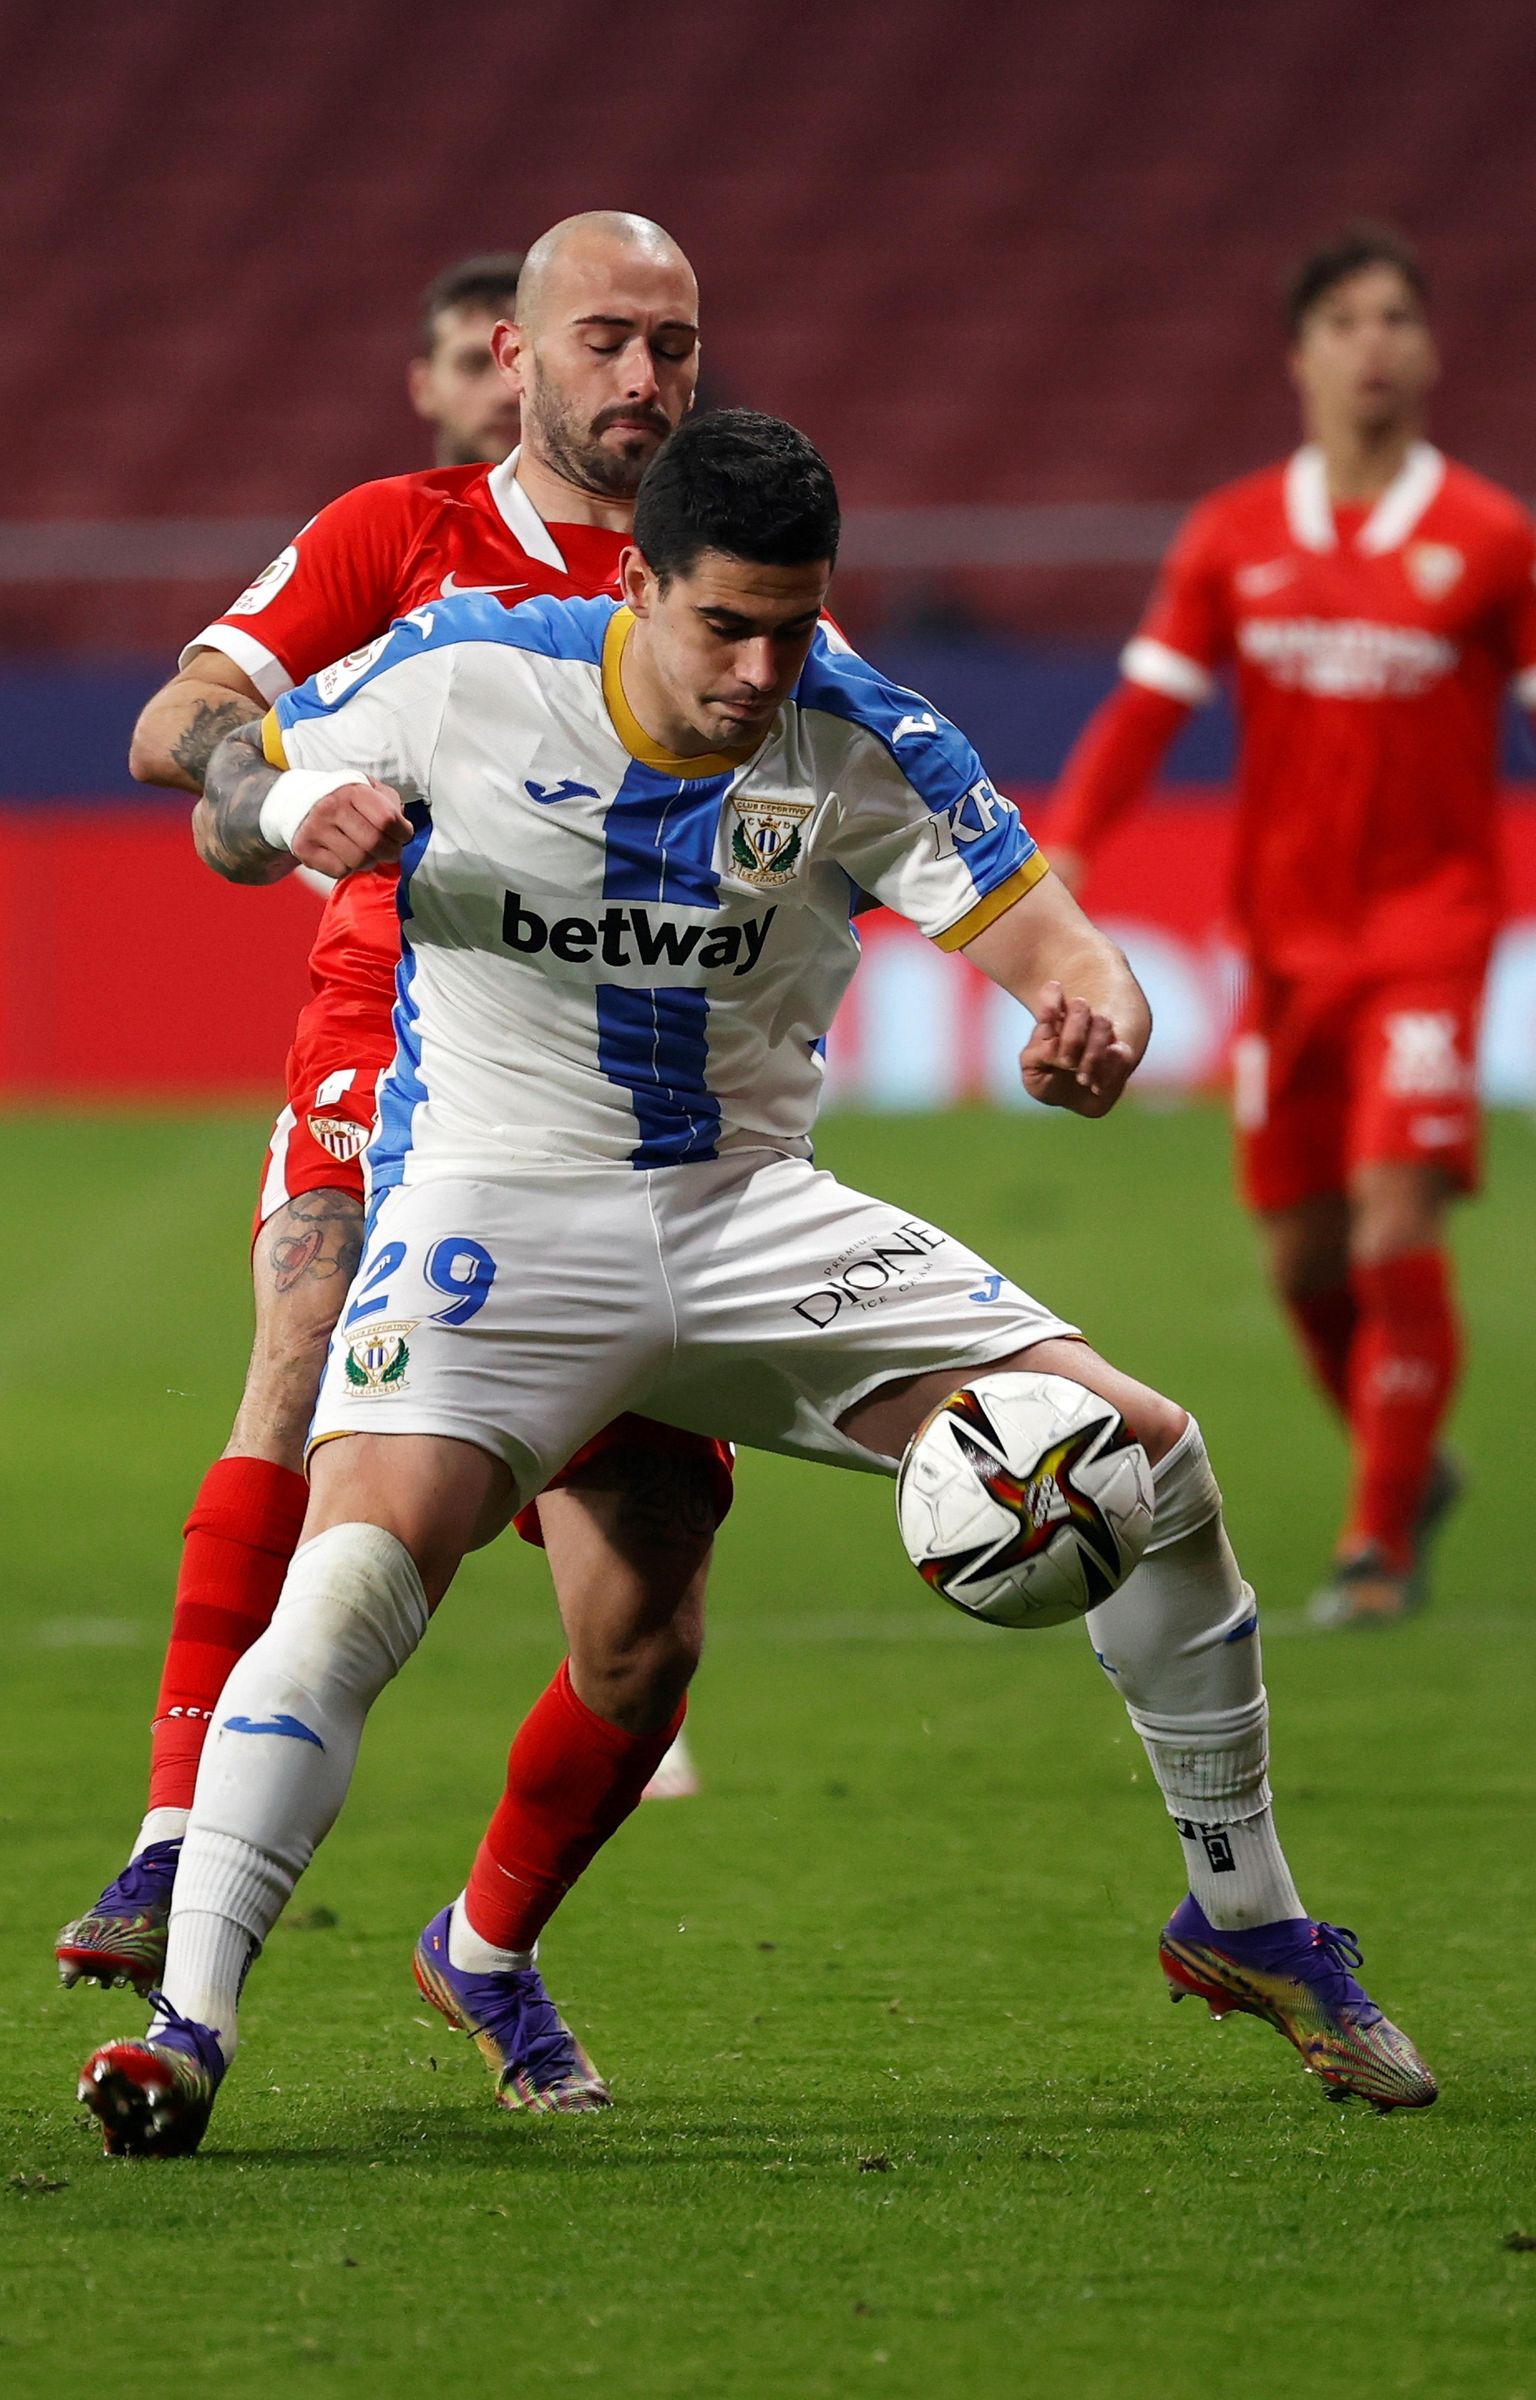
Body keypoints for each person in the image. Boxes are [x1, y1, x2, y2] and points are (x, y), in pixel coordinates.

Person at [78, 409, 1436, 2159]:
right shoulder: (464, 670)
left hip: (749, 1213)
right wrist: (281, 802)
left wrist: (1096, 1004)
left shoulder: (858, 730)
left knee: (1148, 1458)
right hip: (501, 1209)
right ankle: (189, 2030)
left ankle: (1241, 1917)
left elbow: (1047, 929)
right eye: (725, 623)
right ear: (635, 579)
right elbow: (217, 802)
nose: (760, 666)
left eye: (794, 624)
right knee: (353, 1584)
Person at [57, 214, 713, 2066]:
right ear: (514, 353)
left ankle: (486, 1943)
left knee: (647, 1617)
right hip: (399, 1029)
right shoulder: (395, 537)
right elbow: (179, 722)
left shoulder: (722, 558)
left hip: (637, 1102)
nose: (644, 382)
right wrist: (275, 794)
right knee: (303, 1319)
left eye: (673, 348)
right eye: (607, 343)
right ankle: (174, 1836)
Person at [1049, 222, 1536, 1626]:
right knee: (1302, 1258)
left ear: (1430, 351)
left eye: (1396, 319)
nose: (1374, 344)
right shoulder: (1236, 534)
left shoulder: (1490, 539)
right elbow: (1148, 709)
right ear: (1302, 354)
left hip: (1433, 936)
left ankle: (1375, 1545)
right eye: (1346, 322)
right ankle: (1410, 1460)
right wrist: (1069, 845)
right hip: (1282, 944)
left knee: (1398, 1210)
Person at [407, 252, 525, 467]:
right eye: (473, 365)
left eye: (522, 363)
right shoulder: (371, 502)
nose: (507, 395)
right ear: (423, 387)